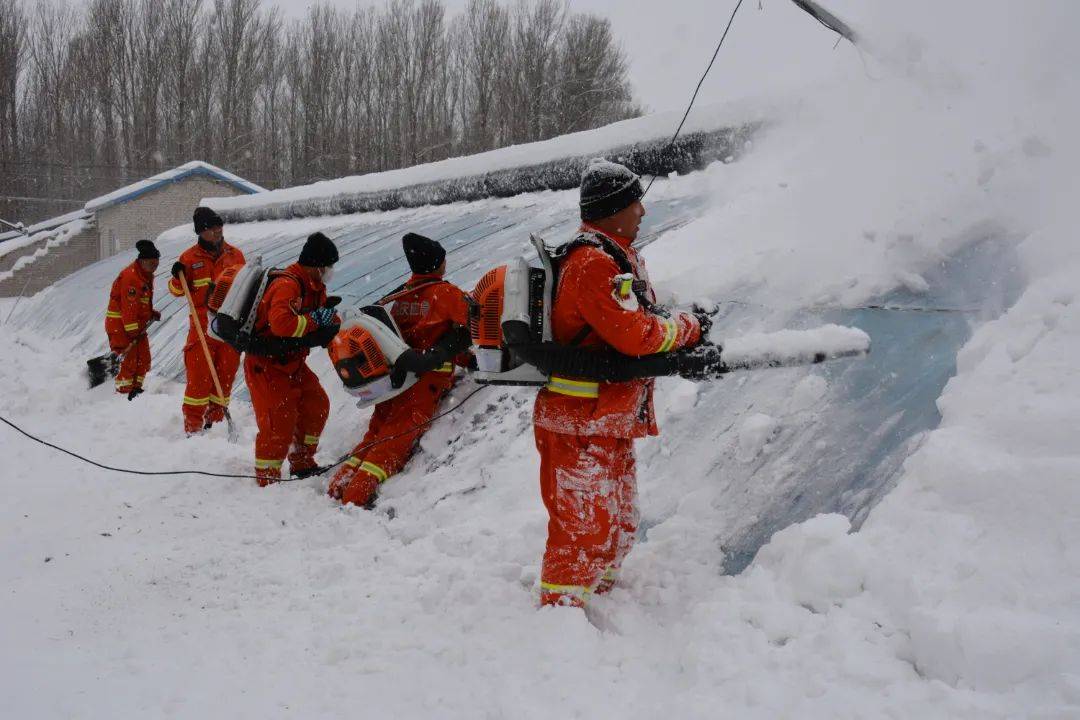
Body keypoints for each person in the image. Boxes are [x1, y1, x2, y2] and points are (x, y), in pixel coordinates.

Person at [533, 159, 705, 608]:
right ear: (613, 209)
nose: (643, 212)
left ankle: (597, 599)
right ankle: (560, 618)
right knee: (582, 528)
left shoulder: (616, 258)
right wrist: (688, 328)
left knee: (617, 520)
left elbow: (634, 322)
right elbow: (635, 335)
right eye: (636, 203)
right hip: (578, 423)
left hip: (603, 419)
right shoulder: (592, 263)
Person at [328, 233, 472, 508]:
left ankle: (338, 485)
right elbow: (473, 323)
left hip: (392, 382)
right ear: (437, 264)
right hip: (423, 381)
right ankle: (355, 499)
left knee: (375, 435)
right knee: (394, 441)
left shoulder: (399, 296)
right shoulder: (445, 293)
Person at [244, 232, 340, 486]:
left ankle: (302, 461)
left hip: (294, 363)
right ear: (317, 265)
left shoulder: (314, 285)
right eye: (329, 266)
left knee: (316, 406)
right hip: (268, 365)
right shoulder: (288, 285)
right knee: (278, 424)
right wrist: (315, 321)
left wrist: (327, 318)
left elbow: (313, 316)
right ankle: (267, 479)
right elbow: (281, 325)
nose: (331, 272)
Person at [167, 206, 246, 434]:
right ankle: (192, 428)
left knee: (224, 379)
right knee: (199, 381)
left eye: (219, 226)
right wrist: (176, 276)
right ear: (201, 231)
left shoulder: (235, 255)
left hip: (229, 328)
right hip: (202, 329)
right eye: (212, 228)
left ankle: (216, 427)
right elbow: (176, 290)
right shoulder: (189, 258)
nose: (218, 231)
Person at [105, 240, 161, 400]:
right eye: (152, 262)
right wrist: (132, 330)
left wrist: (150, 313)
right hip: (121, 326)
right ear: (142, 261)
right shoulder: (131, 277)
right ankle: (123, 395)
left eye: (157, 262)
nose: (155, 266)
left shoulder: (145, 274)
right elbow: (129, 308)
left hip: (136, 326)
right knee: (127, 362)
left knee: (143, 359)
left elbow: (140, 303)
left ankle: (136, 391)